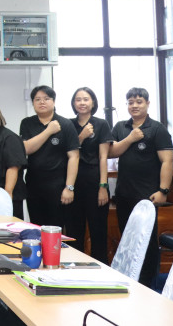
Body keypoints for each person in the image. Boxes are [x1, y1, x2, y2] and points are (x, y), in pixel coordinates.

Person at [110, 87, 173, 288]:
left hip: (148, 196)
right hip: (123, 194)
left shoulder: (157, 129)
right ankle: (131, 280)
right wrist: (130, 138)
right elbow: (111, 152)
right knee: (127, 239)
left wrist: (163, 191)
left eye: (139, 102)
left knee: (146, 241)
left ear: (147, 104)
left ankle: (149, 284)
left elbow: (167, 161)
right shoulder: (120, 127)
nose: (134, 106)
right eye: (130, 102)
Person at [20, 85, 80, 228]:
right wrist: (48, 131)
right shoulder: (27, 123)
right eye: (37, 99)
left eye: (46, 98)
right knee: (36, 228)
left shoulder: (66, 124)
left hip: (58, 187)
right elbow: (26, 149)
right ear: (33, 103)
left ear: (53, 101)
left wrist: (69, 187)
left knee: (56, 229)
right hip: (33, 186)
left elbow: (74, 157)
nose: (42, 102)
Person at [67, 87, 112, 264]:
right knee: (74, 231)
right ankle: (74, 267)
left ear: (93, 102)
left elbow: (103, 157)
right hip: (73, 183)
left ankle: (101, 268)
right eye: (78, 99)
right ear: (73, 103)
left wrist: (103, 186)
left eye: (86, 99)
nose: (82, 103)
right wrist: (82, 136)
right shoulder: (68, 124)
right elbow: (67, 152)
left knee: (98, 230)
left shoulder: (101, 124)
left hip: (94, 181)